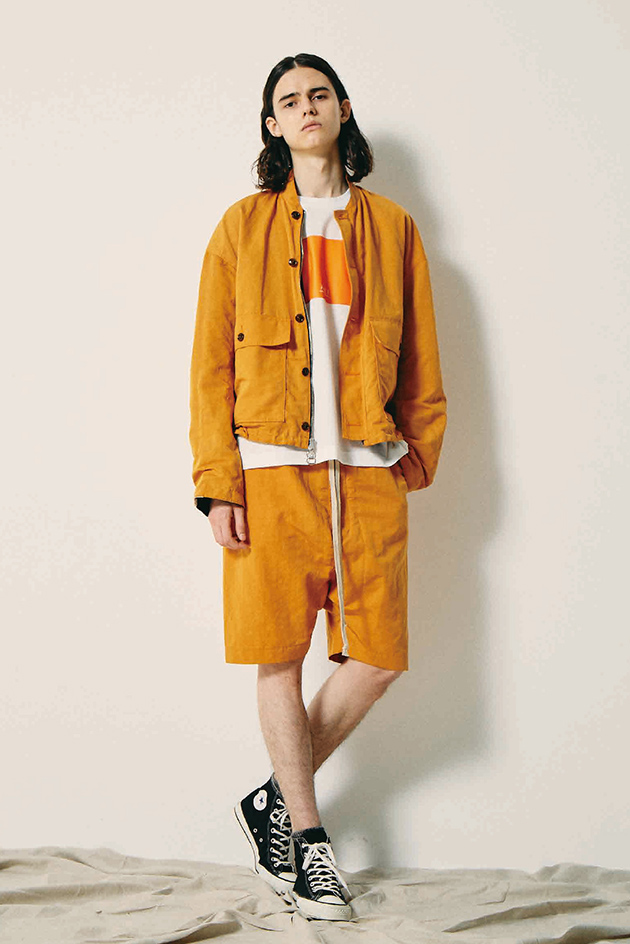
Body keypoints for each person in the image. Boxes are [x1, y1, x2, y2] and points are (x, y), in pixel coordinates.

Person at [189, 52, 447, 922]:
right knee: (279, 653)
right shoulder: (241, 228)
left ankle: (270, 798)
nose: (306, 107)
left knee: (377, 657)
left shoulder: (394, 227)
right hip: (268, 468)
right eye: (289, 100)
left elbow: (423, 356)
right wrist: (217, 481)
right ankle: (307, 841)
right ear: (272, 124)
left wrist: (419, 450)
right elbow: (208, 367)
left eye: (319, 94)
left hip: (368, 465)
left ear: (342, 109)